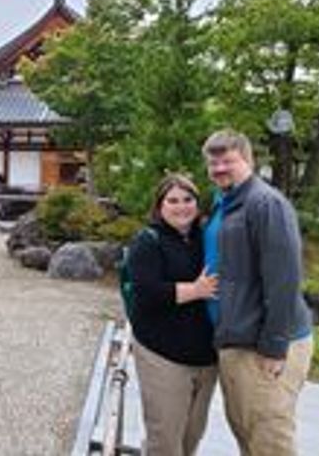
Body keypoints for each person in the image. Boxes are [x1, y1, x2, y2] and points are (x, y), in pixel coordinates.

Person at [202, 129, 313, 456]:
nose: (220, 168)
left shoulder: (265, 203)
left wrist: (275, 346)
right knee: (247, 436)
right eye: (213, 163)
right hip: (234, 339)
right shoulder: (226, 202)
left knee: (270, 440)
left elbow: (284, 280)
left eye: (228, 161)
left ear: (247, 160)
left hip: (262, 347)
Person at [130, 173, 219, 456]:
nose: (181, 206)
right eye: (173, 201)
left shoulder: (206, 238)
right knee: (166, 440)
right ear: (160, 206)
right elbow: (146, 293)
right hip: (162, 355)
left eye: (188, 199)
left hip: (206, 357)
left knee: (191, 437)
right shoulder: (148, 240)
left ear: (198, 204)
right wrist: (195, 290)